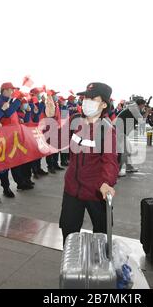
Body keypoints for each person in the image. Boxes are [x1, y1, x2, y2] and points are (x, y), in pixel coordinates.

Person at [58, 82, 119, 244]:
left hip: (97, 191)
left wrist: (107, 182)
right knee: (68, 233)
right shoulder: (75, 120)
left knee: (102, 235)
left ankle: (99, 266)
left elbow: (110, 161)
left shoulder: (106, 129)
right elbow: (56, 142)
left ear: (104, 104)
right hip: (72, 189)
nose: (86, 101)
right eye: (85, 97)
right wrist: (50, 117)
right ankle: (70, 267)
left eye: (93, 99)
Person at [0, 83, 27, 195]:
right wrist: (17, 100)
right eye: (11, 90)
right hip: (4, 137)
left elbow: (12, 115)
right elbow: (7, 113)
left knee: (15, 160)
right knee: (5, 164)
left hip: (13, 136)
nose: (13, 92)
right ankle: (6, 187)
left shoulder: (10, 101)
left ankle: (20, 182)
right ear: (5, 90)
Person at [115, 98, 147, 176]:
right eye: (143, 105)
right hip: (120, 130)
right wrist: (147, 112)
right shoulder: (134, 108)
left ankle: (129, 167)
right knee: (124, 151)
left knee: (128, 150)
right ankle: (117, 170)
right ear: (141, 104)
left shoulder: (134, 108)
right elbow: (141, 121)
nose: (144, 107)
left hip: (121, 130)